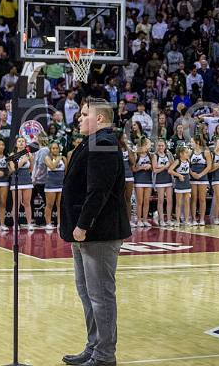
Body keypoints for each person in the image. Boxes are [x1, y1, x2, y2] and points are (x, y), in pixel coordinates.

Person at [60, 97, 130, 366]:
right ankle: (93, 346)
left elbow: (98, 190)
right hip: (86, 233)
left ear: (99, 118)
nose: (79, 118)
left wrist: (83, 224)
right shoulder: (93, 141)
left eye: (84, 114)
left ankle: (104, 355)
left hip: (97, 232)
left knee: (100, 296)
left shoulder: (103, 142)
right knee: (87, 293)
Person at [9, 136, 34, 231]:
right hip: (16, 180)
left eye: (23, 141)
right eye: (19, 141)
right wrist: (22, 161)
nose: (21, 143)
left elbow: (31, 169)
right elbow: (12, 169)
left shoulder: (28, 154)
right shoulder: (13, 154)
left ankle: (29, 224)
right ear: (16, 144)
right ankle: (16, 224)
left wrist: (31, 159)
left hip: (27, 180)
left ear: (25, 144)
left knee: (27, 203)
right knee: (16, 203)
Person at [44, 142, 67, 231]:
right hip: (51, 184)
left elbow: (66, 171)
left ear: (59, 149)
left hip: (61, 184)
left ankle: (60, 223)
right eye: (53, 148)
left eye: (56, 148)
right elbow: (52, 167)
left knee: (60, 205)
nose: (55, 150)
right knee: (49, 205)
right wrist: (58, 158)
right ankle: (48, 223)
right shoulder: (47, 158)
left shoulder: (64, 158)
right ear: (50, 150)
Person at [189, 136, 210, 226]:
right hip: (193, 178)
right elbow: (186, 164)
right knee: (193, 199)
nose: (191, 144)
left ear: (197, 142)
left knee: (202, 199)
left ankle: (202, 219)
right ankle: (194, 219)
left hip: (203, 178)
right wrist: (192, 173)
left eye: (192, 142)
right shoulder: (190, 152)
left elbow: (209, 166)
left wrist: (201, 174)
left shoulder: (205, 152)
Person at [168, 145, 192, 226]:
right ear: (181, 154)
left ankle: (186, 220)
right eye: (186, 152)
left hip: (187, 183)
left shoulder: (188, 161)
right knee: (178, 203)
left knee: (187, 202)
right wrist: (179, 175)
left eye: (188, 152)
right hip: (179, 183)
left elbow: (189, 171)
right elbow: (170, 170)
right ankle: (178, 220)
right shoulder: (177, 161)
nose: (188, 154)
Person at [152, 139, 173, 226]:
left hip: (168, 179)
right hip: (160, 180)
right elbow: (155, 170)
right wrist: (165, 167)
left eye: (162, 145)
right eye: (159, 145)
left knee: (169, 200)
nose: (161, 147)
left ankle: (168, 219)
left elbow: (172, 166)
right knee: (160, 200)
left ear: (165, 146)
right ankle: (161, 220)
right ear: (157, 146)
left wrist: (163, 167)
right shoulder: (155, 156)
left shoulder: (168, 155)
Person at [132, 138, 153, 228]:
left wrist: (150, 166)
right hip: (139, 180)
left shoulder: (150, 155)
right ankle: (139, 220)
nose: (149, 145)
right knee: (139, 202)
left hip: (148, 180)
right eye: (148, 144)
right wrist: (141, 167)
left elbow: (154, 168)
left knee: (146, 201)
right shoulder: (136, 155)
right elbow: (133, 169)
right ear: (143, 145)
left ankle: (145, 220)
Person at [118, 131, 135, 223]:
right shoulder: (115, 148)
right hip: (119, 176)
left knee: (128, 198)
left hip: (129, 176)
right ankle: (120, 220)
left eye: (126, 138)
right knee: (120, 198)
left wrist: (128, 148)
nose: (125, 140)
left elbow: (132, 162)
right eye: (123, 138)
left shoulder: (128, 149)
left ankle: (128, 221)